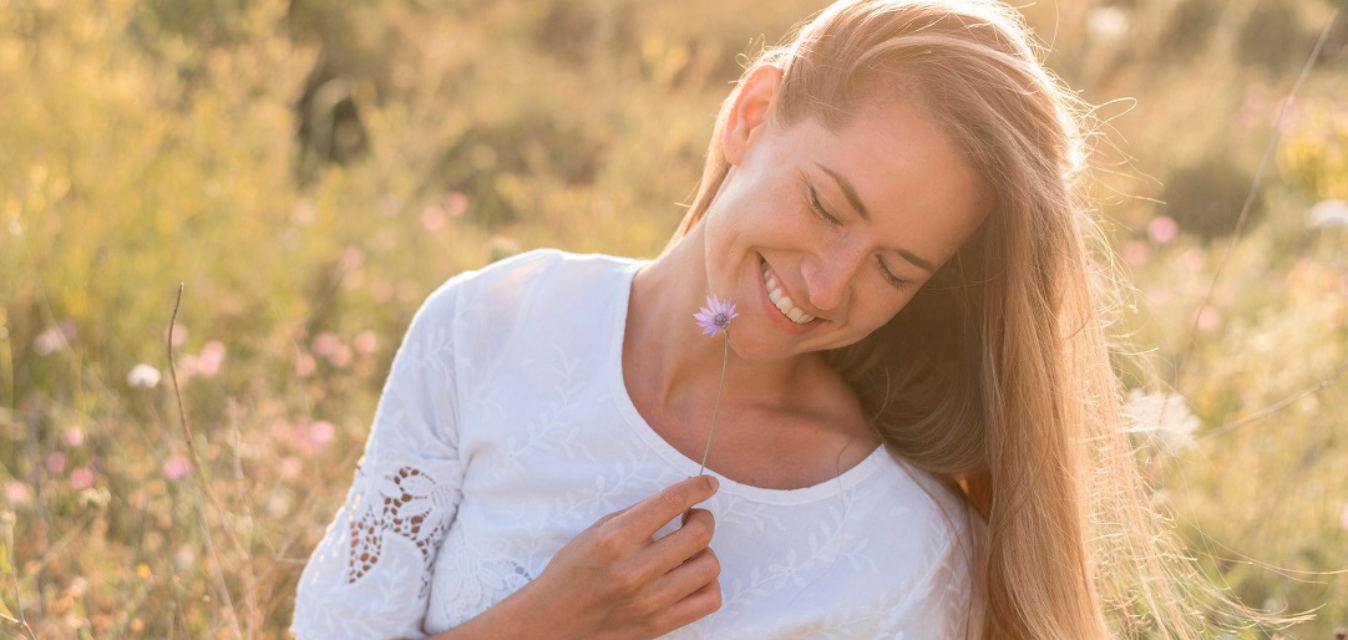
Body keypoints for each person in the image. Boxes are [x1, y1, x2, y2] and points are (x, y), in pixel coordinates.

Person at [291, 1, 1241, 638]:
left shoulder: (910, 554)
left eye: (896, 269)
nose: (827, 288)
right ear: (753, 113)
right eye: (828, 206)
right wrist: (545, 623)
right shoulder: (490, 326)